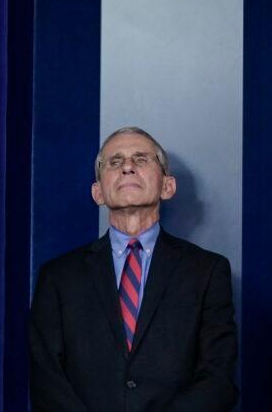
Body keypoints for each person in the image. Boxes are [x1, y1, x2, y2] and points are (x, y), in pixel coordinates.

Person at [29, 127, 238, 412]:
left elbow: (217, 379)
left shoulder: (207, 272)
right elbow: (46, 380)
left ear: (168, 186)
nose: (127, 167)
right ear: (98, 192)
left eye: (141, 159)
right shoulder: (58, 277)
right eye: (114, 162)